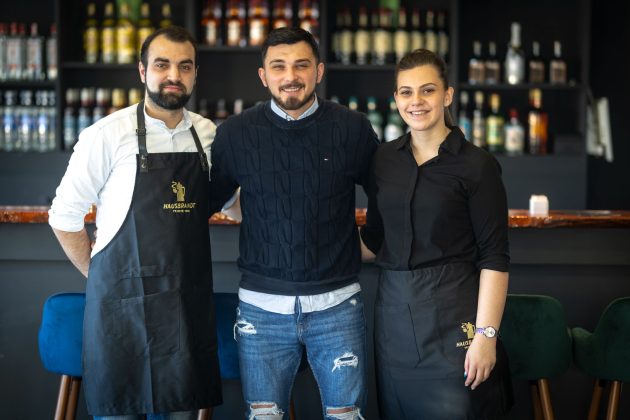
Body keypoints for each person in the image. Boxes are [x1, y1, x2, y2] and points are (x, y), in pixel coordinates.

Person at [48, 26, 224, 419]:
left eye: (185, 66)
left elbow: (232, 203)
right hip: (121, 316)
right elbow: (63, 215)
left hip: (185, 313)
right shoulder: (107, 135)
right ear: (143, 71)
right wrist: (98, 275)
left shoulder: (208, 135)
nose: (174, 75)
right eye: (162, 65)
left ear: (196, 74)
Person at [208, 27, 379, 419]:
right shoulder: (235, 133)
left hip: (337, 305)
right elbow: (204, 201)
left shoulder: (352, 128)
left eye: (301, 65)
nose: (291, 76)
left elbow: (388, 195)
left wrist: (372, 243)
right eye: (279, 66)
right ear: (263, 75)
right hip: (260, 310)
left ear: (319, 71)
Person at [360, 49, 514, 419]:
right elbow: (376, 239)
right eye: (407, 92)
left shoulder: (478, 166)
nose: (416, 101)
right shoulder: (382, 160)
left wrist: (486, 336)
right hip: (394, 323)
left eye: (427, 90)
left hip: (453, 318)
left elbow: (494, 257)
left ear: (447, 95)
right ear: (396, 99)